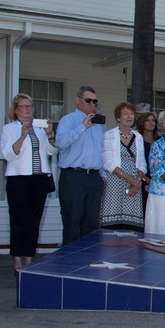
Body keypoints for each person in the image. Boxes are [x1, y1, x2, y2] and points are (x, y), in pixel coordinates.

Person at [0, 93, 56, 272]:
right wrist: (23, 136)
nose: (28, 109)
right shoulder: (9, 129)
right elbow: (8, 154)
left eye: (30, 106)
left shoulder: (39, 129)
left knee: (34, 220)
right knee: (18, 220)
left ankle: (29, 259)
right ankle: (17, 260)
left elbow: (52, 151)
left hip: (39, 179)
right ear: (16, 111)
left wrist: (50, 134)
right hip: (18, 179)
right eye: (23, 106)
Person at [55, 86, 105, 245]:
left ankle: (87, 262)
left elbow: (101, 152)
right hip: (73, 177)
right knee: (72, 221)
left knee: (91, 223)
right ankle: (69, 263)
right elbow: (60, 143)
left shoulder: (99, 125)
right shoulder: (68, 120)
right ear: (78, 100)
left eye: (94, 101)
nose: (92, 104)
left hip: (94, 178)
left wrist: (103, 175)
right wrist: (82, 126)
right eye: (88, 100)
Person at [101, 102, 147, 231]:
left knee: (131, 227)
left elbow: (142, 163)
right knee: (113, 225)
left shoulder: (138, 137)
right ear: (118, 117)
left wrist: (136, 181)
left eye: (131, 113)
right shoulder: (109, 135)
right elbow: (108, 162)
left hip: (134, 186)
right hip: (115, 182)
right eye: (125, 113)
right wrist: (130, 179)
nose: (129, 117)